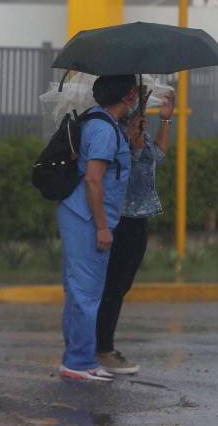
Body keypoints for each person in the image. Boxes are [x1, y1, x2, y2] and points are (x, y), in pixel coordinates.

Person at [57, 74, 136, 382]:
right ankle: (77, 363)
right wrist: (103, 228)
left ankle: (80, 359)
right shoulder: (103, 129)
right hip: (87, 218)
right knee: (84, 293)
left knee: (82, 292)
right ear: (128, 96)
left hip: (82, 215)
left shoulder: (103, 124)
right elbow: (93, 179)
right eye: (136, 93)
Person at [96, 90, 175, 374]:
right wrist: (136, 127)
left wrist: (165, 122)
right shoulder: (114, 128)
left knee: (120, 286)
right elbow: (131, 151)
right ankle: (102, 348)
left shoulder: (136, 124)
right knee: (112, 286)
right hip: (122, 216)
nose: (139, 99)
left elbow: (157, 155)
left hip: (139, 215)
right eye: (135, 95)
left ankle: (101, 345)